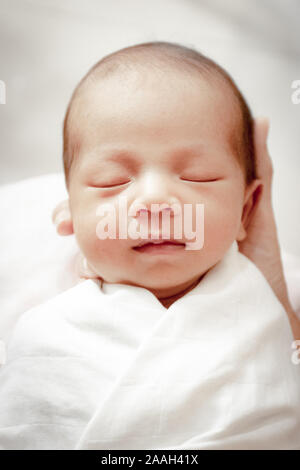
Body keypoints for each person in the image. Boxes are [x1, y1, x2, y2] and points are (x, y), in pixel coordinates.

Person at [0, 41, 299, 450]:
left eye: (197, 176)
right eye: (112, 181)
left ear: (246, 209)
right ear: (72, 213)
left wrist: (283, 316)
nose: (156, 200)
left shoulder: (281, 308)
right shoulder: (42, 332)